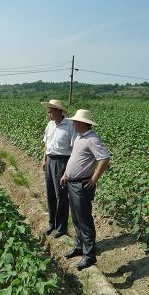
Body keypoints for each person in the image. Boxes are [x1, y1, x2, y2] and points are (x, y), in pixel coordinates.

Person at [60, 109, 110, 271]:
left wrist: (94, 179)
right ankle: (79, 246)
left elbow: (104, 158)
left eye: (75, 121)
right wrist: (66, 174)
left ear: (83, 123)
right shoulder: (80, 137)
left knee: (85, 220)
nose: (73, 123)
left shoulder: (92, 139)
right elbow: (76, 159)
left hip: (82, 185)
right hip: (72, 182)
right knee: (75, 218)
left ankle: (89, 256)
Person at [40, 99, 76, 238]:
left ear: (59, 111)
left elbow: (73, 150)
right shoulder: (50, 125)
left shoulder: (70, 125)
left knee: (61, 196)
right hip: (50, 160)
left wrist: (67, 170)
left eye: (51, 112)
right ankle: (52, 223)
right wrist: (44, 159)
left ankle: (61, 227)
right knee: (50, 194)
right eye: (48, 112)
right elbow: (46, 143)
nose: (49, 114)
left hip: (63, 161)